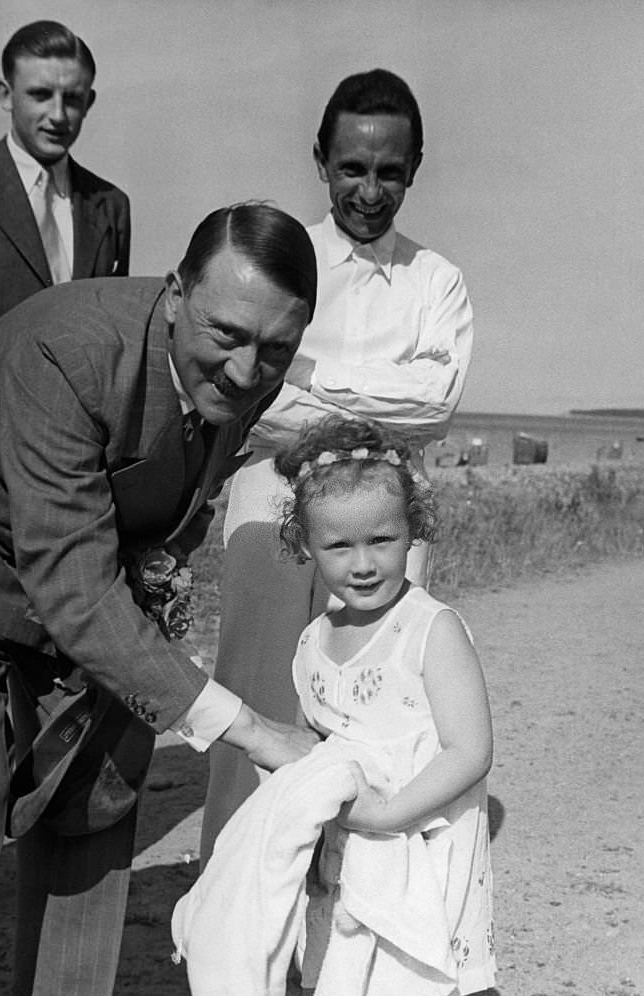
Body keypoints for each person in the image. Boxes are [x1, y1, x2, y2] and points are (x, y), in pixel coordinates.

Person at [0, 202, 318, 996]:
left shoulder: (242, 375)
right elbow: (72, 585)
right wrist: (252, 729)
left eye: (276, 350)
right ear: (174, 292)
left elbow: (167, 513)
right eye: (228, 336)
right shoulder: (66, 350)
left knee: (96, 817)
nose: (246, 373)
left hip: (94, 592)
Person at [201, 68, 474, 861]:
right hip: (268, 508)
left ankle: (345, 918)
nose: (369, 188)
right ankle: (234, 901)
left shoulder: (437, 282)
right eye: (352, 167)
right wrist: (372, 409)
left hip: (388, 528)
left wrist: (312, 380)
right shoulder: (283, 261)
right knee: (255, 703)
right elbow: (252, 393)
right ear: (320, 159)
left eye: (389, 171)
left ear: (414, 167)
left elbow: (436, 405)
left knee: (379, 708)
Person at [172, 413, 495, 996]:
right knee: (339, 985)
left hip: (418, 841)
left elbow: (469, 750)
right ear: (305, 546)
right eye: (338, 546)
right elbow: (305, 751)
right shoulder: (314, 641)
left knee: (402, 990)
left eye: (382, 539)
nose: (363, 564)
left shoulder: (431, 630)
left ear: (413, 532)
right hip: (343, 850)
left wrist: (386, 814)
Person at [0, 19, 130, 335]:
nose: (58, 115)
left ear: (88, 102)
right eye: (40, 94)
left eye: (72, 98)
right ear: (6, 95)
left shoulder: (112, 206)